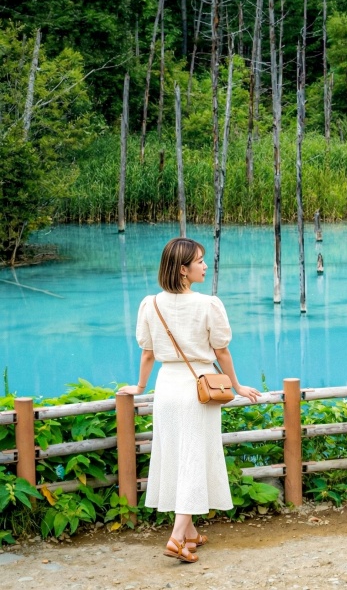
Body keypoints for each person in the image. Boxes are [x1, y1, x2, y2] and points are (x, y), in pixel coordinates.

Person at [118, 237, 261, 564]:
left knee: (177, 457)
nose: (205, 266)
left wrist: (139, 387)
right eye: (199, 261)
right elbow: (221, 351)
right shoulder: (208, 304)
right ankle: (177, 536)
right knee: (195, 458)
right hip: (199, 388)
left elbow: (148, 353)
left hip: (167, 387)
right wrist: (237, 386)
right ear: (183, 270)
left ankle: (191, 532)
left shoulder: (151, 304)